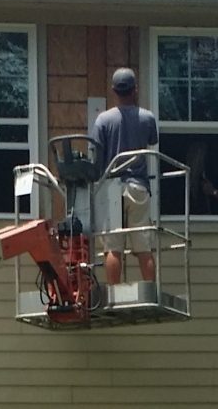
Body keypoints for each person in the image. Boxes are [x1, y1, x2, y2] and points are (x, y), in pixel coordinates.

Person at [90, 67, 158, 284]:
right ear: (135, 89)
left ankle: (113, 294)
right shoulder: (147, 118)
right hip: (138, 186)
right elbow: (152, 141)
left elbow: (96, 158)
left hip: (112, 188)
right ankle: (149, 293)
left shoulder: (103, 120)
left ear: (114, 91)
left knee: (113, 248)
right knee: (143, 247)